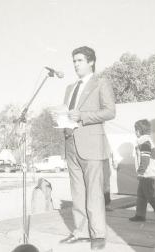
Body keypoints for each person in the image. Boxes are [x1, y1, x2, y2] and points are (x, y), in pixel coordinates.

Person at [55, 46, 116, 250]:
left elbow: (110, 112)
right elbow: (68, 113)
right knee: (77, 192)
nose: (75, 64)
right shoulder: (69, 88)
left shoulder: (101, 83)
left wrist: (83, 116)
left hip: (92, 143)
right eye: (74, 61)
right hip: (70, 142)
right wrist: (61, 119)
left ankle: (98, 234)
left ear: (91, 62)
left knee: (94, 192)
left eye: (79, 60)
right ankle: (80, 232)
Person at [129, 119, 155, 222]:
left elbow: (145, 159)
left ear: (139, 131)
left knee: (150, 194)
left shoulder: (145, 142)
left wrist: (141, 171)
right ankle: (140, 215)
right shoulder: (145, 141)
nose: (135, 132)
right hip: (147, 173)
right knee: (141, 194)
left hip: (147, 174)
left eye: (135, 130)